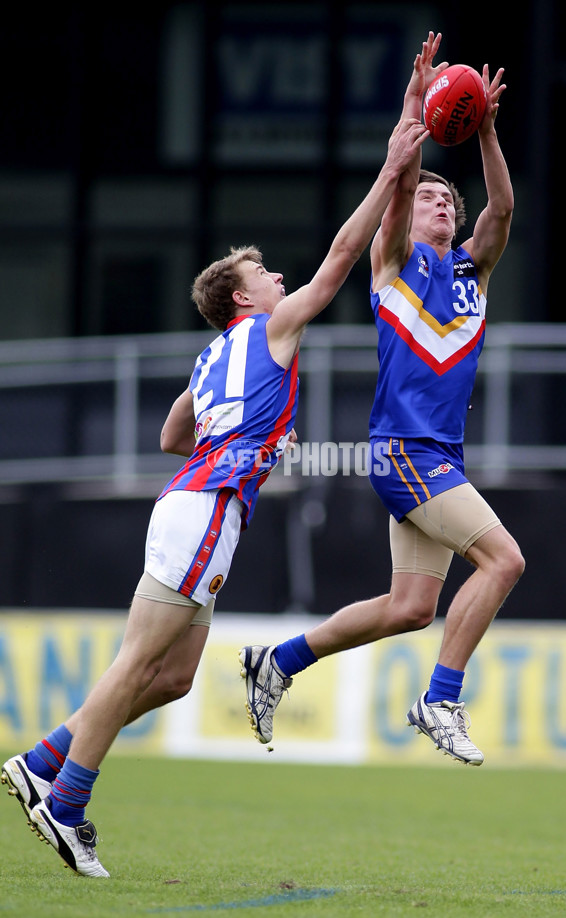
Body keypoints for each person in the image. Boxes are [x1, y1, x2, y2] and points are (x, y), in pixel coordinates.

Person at [1, 112, 429, 877]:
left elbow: (173, 434)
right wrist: (393, 168)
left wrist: (249, 437)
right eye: (265, 276)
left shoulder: (210, 357)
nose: (280, 280)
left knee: (173, 676)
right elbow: (338, 260)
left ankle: (45, 755)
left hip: (195, 505)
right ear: (242, 300)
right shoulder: (270, 331)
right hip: (204, 512)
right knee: (137, 666)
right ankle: (62, 797)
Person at [240, 32, 525, 767]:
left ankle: (280, 661)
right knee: (504, 562)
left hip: (433, 455)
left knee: (410, 608)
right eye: (426, 195)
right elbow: (399, 183)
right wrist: (416, 114)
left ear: (454, 222)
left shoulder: (473, 272)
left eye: (443, 200)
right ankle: (441, 699)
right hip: (406, 452)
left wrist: (486, 129)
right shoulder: (393, 267)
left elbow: (502, 207)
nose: (434, 202)